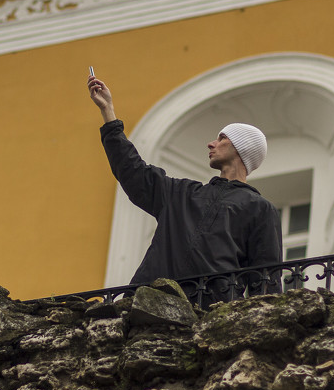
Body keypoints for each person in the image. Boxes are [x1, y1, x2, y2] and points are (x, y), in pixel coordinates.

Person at [88, 71, 282, 303]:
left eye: (222, 139)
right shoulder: (181, 194)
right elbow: (133, 171)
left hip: (212, 313)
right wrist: (108, 113)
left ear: (241, 148)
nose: (211, 143)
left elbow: (265, 280)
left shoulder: (259, 208)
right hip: (149, 304)